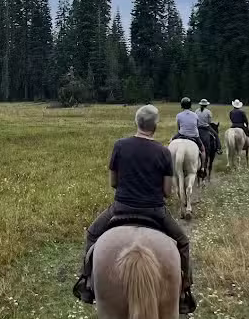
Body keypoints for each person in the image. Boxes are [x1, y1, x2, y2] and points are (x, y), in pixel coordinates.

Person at [73, 104, 193, 305]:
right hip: (155, 212)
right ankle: (185, 290)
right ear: (155, 126)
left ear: (136, 123)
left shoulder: (120, 145)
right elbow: (167, 191)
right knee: (183, 242)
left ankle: (86, 282)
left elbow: (113, 182)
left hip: (121, 208)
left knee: (92, 234)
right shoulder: (163, 152)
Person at [173, 97, 206, 170]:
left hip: (181, 134)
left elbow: (178, 127)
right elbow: (196, 126)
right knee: (203, 150)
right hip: (194, 135)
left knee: (170, 143)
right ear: (190, 105)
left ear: (182, 105)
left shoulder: (178, 115)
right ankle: (202, 168)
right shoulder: (195, 115)